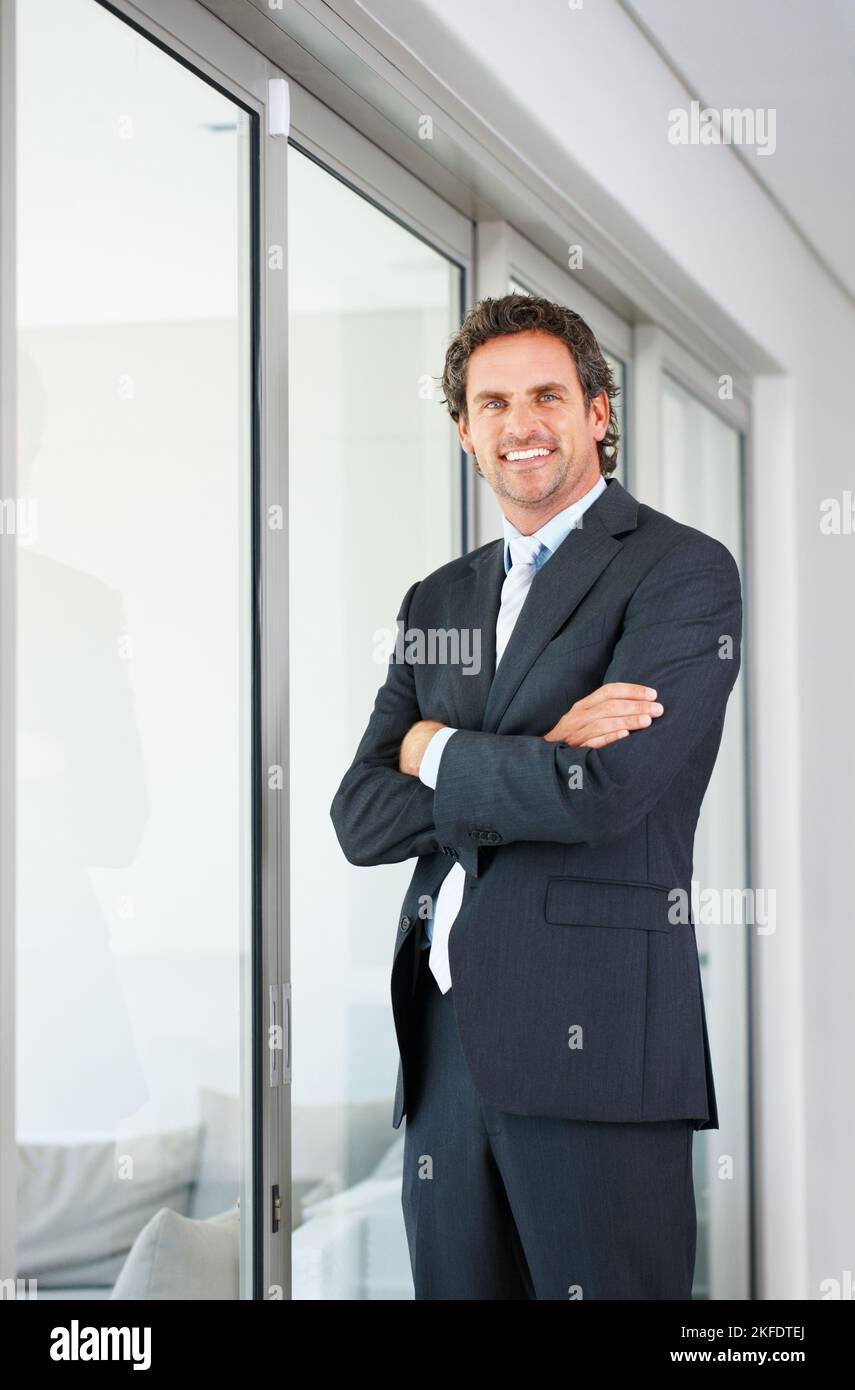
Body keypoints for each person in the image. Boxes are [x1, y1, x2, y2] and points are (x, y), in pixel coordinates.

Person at [330, 293, 743, 1299]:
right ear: (464, 430)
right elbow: (359, 814)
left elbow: (603, 792)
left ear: (600, 410)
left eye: (549, 395)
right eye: (494, 402)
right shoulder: (439, 599)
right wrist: (532, 747)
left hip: (593, 1043)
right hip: (444, 1050)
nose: (522, 424)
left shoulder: (679, 571)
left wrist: (439, 749)